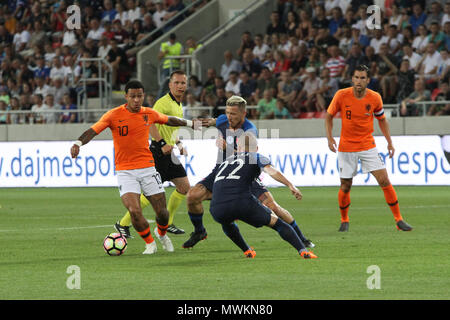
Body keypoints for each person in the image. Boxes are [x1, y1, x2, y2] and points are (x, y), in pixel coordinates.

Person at [70, 80, 200, 254]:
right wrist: (78, 143)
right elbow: (93, 131)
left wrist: (192, 124)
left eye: (140, 96)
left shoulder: (148, 113)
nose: (137, 100)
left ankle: (161, 234)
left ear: (143, 96)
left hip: (147, 168)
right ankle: (150, 243)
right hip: (125, 171)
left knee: (162, 213)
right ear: (126, 97)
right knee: (134, 211)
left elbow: (170, 120)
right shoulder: (113, 115)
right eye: (133, 96)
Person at [183, 95, 314, 249]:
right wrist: (186, 123)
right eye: (227, 113)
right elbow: (209, 122)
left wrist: (227, 148)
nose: (229, 117)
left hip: (244, 174)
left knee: (272, 207)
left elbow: (246, 157)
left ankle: (301, 238)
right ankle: (199, 232)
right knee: (192, 196)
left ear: (243, 114)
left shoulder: (249, 131)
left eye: (233, 114)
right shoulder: (223, 120)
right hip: (222, 171)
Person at [324, 65, 413, 232]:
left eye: (362, 78)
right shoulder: (341, 95)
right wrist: (329, 138)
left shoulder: (374, 98)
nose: (359, 81)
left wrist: (389, 142)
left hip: (367, 145)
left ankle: (399, 220)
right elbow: (328, 116)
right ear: (352, 79)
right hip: (346, 147)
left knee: (384, 180)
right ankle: (344, 220)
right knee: (345, 185)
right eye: (356, 77)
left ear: (368, 80)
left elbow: (382, 120)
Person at [209, 134, 317, 259]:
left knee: (226, 222)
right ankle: (303, 251)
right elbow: (272, 171)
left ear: (238, 148)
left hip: (217, 206)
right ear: (257, 148)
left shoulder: (224, 162)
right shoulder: (255, 156)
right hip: (242, 202)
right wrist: (290, 185)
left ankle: (247, 251)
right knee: (278, 224)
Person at [114, 71, 193, 237]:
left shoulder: (178, 104)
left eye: (183, 83)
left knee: (184, 186)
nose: (180, 86)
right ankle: (123, 224)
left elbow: (170, 128)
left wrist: (178, 143)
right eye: (177, 83)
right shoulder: (163, 103)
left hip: (169, 152)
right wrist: (162, 143)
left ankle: (168, 222)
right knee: (151, 194)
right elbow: (149, 122)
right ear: (170, 85)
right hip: (158, 152)